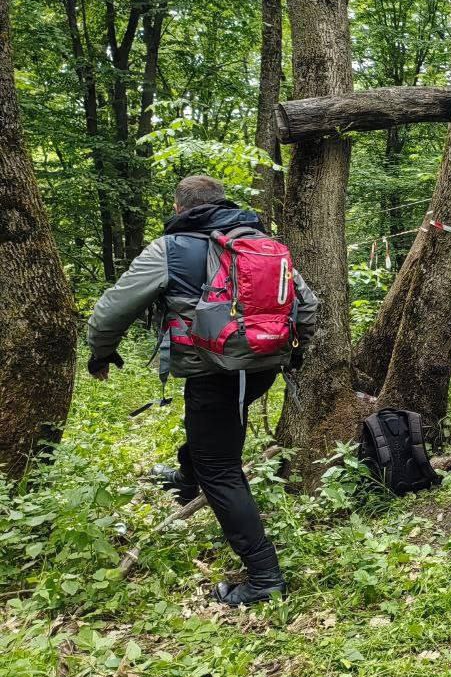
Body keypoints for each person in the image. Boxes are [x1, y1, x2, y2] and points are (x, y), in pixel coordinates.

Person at [86, 175, 319, 605]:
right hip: (261, 367)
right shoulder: (259, 242)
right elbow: (306, 306)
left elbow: (110, 311)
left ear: (179, 208)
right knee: (213, 428)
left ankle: (265, 577)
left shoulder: (170, 250)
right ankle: (187, 477)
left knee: (221, 465)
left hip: (214, 370)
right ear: (221, 202)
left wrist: (102, 353)